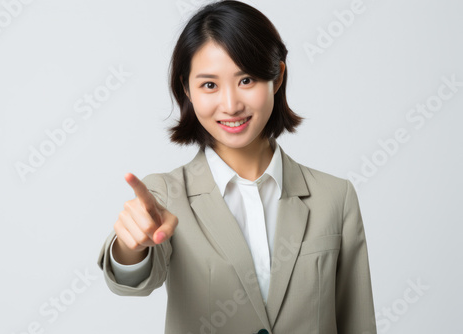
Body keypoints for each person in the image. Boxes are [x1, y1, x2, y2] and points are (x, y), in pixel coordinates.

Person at [97, 1, 377, 333]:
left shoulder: (335, 197)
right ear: (187, 89)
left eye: (246, 80)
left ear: (276, 77)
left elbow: (357, 323)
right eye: (209, 85)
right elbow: (133, 281)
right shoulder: (165, 196)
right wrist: (131, 246)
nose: (231, 105)